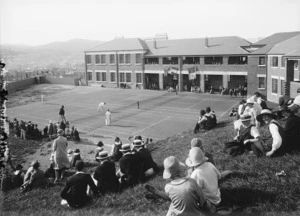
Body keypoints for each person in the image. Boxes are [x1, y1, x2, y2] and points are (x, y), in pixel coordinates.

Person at [185, 148, 221, 213]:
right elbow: (219, 176)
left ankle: (209, 210)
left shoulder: (195, 174)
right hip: (217, 197)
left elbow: (193, 192)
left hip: (208, 201)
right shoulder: (210, 164)